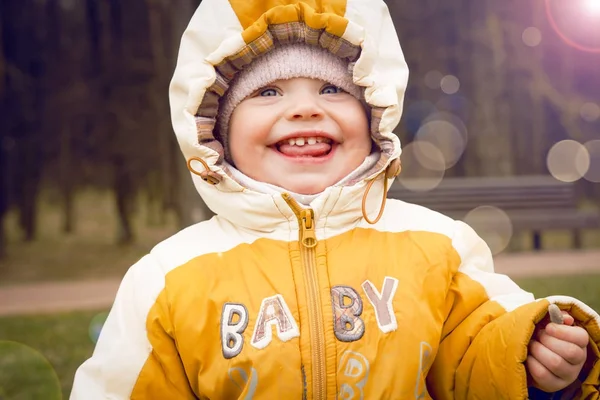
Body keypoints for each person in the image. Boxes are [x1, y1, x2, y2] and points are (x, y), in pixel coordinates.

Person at [71, 0, 600, 398]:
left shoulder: (438, 246)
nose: (304, 109)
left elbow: (473, 354)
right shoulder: (168, 277)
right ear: (216, 128)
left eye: (332, 90)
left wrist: (529, 355)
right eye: (268, 92)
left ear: (374, 116)